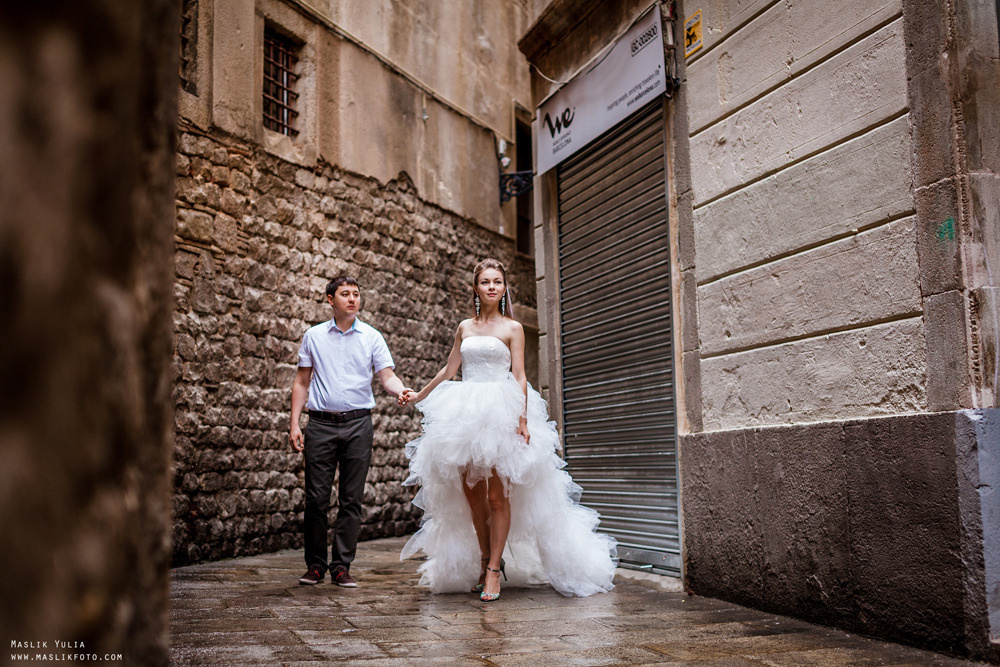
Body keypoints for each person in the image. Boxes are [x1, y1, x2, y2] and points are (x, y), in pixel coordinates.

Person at [398, 258, 616, 601]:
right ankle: (485, 558)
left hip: (502, 410)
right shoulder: (464, 328)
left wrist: (523, 419)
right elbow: (449, 368)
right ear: (476, 287)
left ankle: (495, 570)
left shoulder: (513, 328)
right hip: (465, 414)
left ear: (504, 288)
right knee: (473, 496)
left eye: (497, 282)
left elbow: (519, 375)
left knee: (499, 496)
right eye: (485, 282)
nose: (491, 287)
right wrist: (418, 395)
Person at [290, 276, 411, 587]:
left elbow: (386, 376)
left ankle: (341, 566)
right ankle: (315, 565)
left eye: (356, 294)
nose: (353, 299)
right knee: (316, 498)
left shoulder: (372, 337)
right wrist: (294, 424)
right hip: (320, 424)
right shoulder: (313, 336)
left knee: (351, 499)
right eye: (345, 294)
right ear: (331, 299)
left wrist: (400, 391)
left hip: (358, 424)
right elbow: (302, 382)